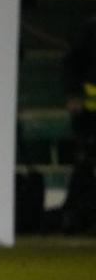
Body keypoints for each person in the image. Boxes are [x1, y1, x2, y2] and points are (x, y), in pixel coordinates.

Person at [61, 15, 96, 232]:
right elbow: (71, 62)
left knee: (85, 166)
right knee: (85, 165)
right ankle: (76, 217)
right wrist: (73, 94)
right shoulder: (91, 28)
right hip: (89, 114)